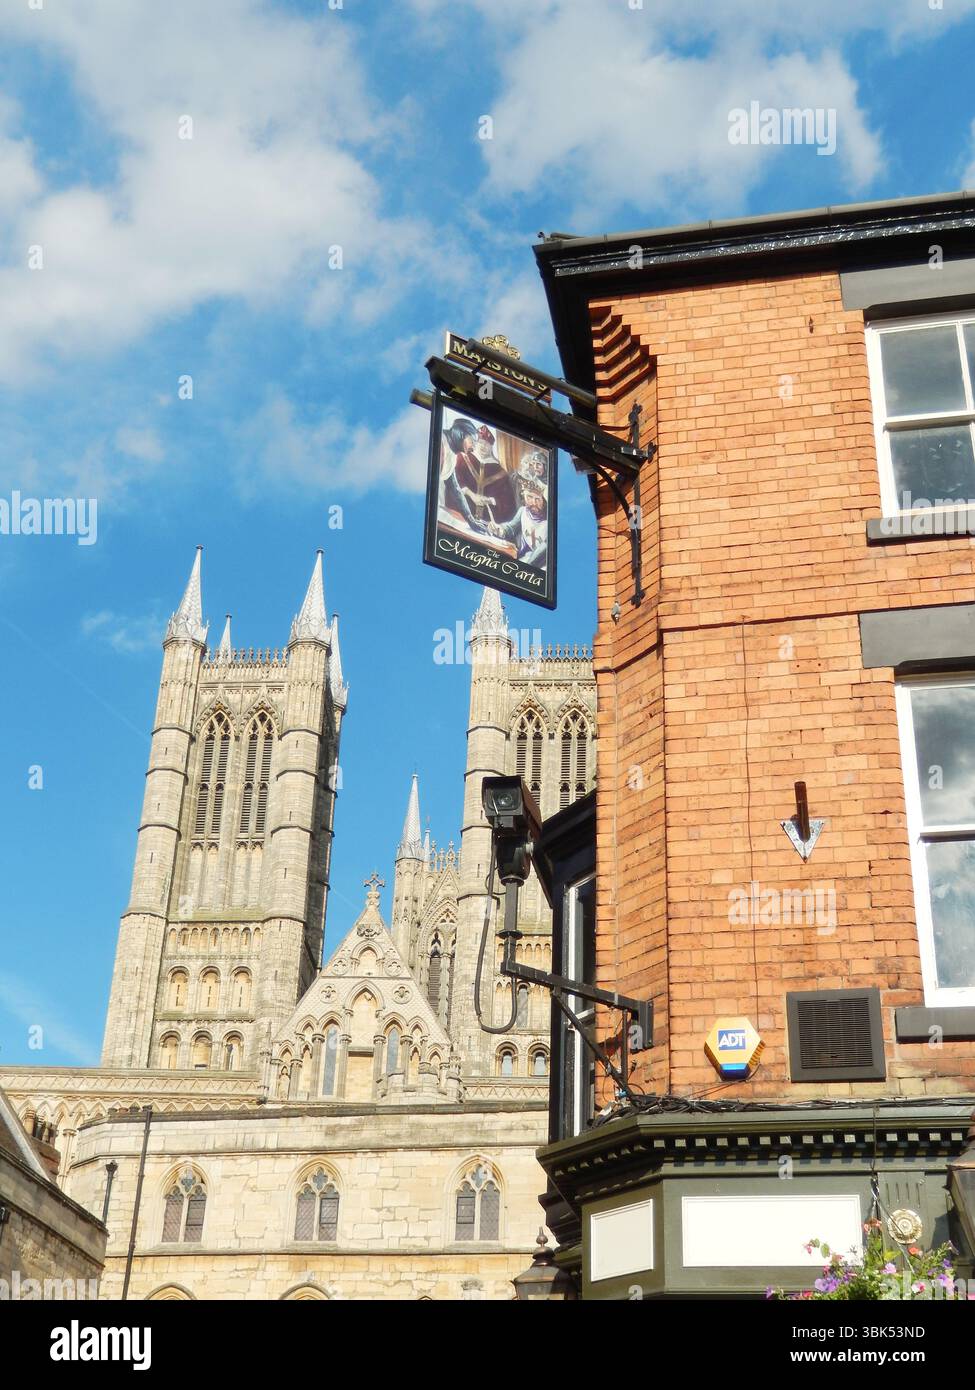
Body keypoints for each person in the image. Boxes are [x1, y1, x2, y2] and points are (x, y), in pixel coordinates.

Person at [455, 423, 517, 525]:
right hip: (463, 516)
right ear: (475, 443)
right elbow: (456, 481)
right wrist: (471, 495)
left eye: (487, 444)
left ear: (491, 447)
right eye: (481, 443)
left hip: (489, 522)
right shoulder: (462, 458)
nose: (483, 446)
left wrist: (489, 500)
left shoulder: (499, 472)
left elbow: (508, 501)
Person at [487, 482, 548, 568]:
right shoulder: (523, 511)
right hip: (526, 558)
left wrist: (526, 568)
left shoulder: (549, 522)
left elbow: (545, 549)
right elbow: (511, 528)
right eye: (529, 497)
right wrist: (500, 530)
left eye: (537, 499)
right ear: (524, 497)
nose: (534, 502)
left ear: (544, 501)